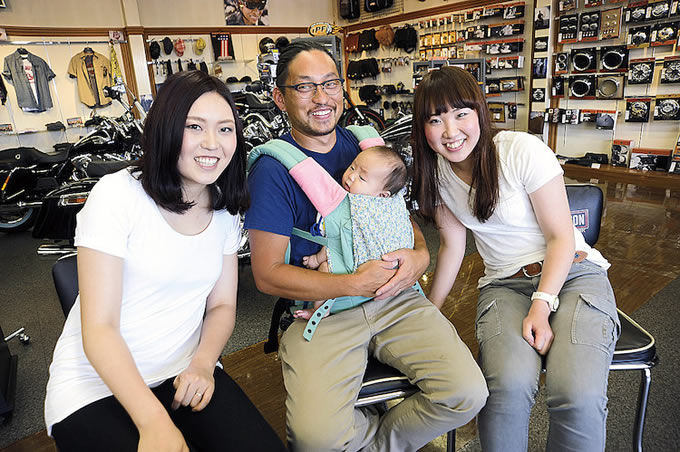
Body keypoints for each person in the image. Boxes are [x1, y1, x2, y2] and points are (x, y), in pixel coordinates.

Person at [245, 41, 487, 451]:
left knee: (466, 393)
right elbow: (267, 276)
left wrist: (419, 256)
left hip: (394, 298)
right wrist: (354, 283)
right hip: (324, 312)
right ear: (280, 98)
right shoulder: (272, 170)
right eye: (304, 87)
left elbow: (399, 221)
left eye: (330, 83)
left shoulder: (367, 147)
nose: (321, 98)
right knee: (316, 441)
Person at [44, 71, 286, 452]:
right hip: (94, 386)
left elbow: (222, 306)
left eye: (225, 129)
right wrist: (154, 421)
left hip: (184, 369)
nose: (213, 143)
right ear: (167, 129)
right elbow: (100, 328)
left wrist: (204, 364)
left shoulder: (223, 209)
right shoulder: (118, 196)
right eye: (195, 126)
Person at [410, 66, 620, 452]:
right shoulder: (435, 174)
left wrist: (541, 305)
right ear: (422, 128)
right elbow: (452, 246)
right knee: (504, 390)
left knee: (576, 394)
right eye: (435, 120)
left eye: (461, 114)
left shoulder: (519, 150)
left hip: (573, 273)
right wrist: (428, 312)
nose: (450, 131)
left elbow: (560, 238)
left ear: (479, 111)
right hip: (504, 285)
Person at [296, 145, 411, 320]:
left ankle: (319, 310)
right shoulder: (394, 203)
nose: (351, 176)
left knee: (325, 268)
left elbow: (338, 242)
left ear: (383, 195)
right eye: (352, 167)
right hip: (392, 270)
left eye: (362, 177)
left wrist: (317, 259)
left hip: (365, 266)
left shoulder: (357, 208)